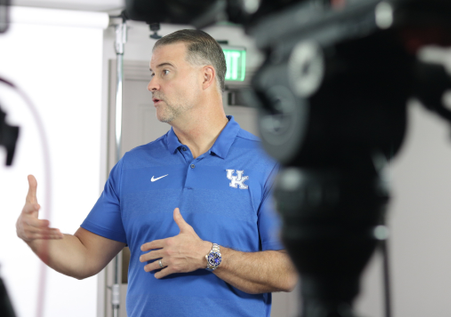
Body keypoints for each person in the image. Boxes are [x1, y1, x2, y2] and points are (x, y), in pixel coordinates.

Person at [16, 29, 297, 317]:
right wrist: (35, 238)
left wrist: (208, 255)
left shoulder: (266, 161)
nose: (151, 84)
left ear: (206, 77)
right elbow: (85, 255)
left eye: (165, 72)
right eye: (152, 73)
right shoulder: (132, 165)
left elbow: (288, 271)